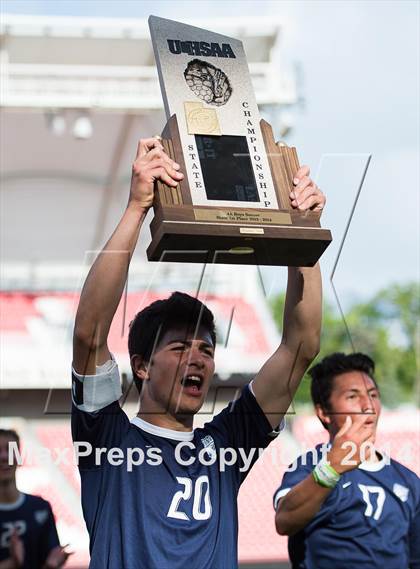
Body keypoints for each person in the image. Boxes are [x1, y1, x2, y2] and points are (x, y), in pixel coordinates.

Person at [71, 137, 325, 568]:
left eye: (206, 348)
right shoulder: (107, 439)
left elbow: (300, 349)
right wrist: (137, 208)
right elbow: (89, 336)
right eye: (180, 346)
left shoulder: (228, 444)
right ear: (142, 366)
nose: (199, 358)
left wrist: (303, 236)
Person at [274, 352, 420, 569]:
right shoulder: (308, 467)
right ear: (324, 412)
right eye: (353, 396)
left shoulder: (408, 481)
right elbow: (284, 520)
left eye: (373, 394)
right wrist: (330, 470)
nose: (368, 405)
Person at [0, 429, 71, 569]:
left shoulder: (41, 508)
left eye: (10, 449)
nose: (3, 456)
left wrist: (51, 565)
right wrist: (11, 564)